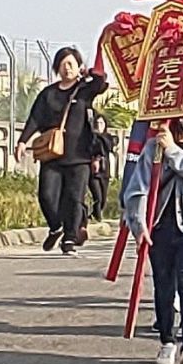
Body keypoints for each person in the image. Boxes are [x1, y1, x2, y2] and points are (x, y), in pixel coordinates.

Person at [121, 91, 183, 364]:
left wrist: (174, 151)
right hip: (160, 224)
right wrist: (138, 224)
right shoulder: (154, 145)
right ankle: (166, 341)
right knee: (163, 284)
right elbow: (138, 188)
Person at [16, 47, 108, 256]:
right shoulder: (48, 94)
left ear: (78, 67)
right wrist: (23, 141)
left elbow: (100, 82)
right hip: (53, 155)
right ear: (56, 67)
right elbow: (35, 120)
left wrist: (90, 73)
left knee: (75, 198)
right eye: (63, 64)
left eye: (71, 64)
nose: (67, 69)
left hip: (80, 156)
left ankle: (69, 239)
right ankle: (56, 226)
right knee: (47, 195)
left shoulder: (84, 91)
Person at [87, 115, 116, 222]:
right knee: (97, 196)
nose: (99, 126)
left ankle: (93, 215)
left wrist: (99, 135)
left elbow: (109, 146)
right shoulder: (90, 137)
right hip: (93, 169)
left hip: (104, 169)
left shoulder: (107, 137)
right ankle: (98, 218)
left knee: (103, 198)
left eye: (102, 123)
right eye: (97, 123)